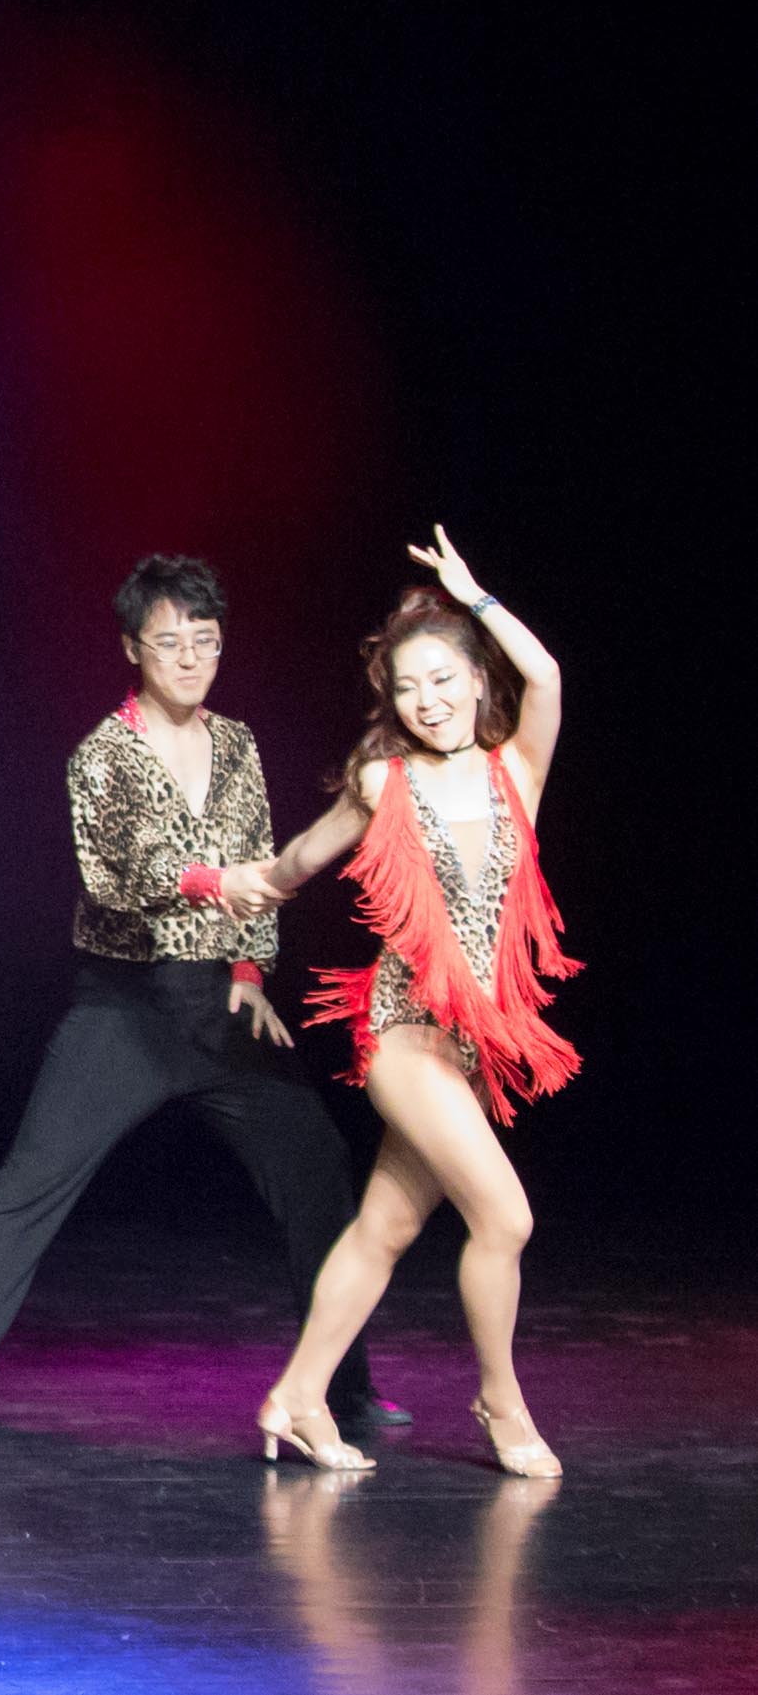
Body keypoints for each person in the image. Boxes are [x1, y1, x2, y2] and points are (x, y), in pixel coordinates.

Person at [0, 556, 396, 1435]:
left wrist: (248, 972)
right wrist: (214, 881)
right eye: (170, 642)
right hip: (127, 1004)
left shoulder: (237, 742)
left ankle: (341, 1385)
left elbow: (262, 854)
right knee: (33, 1180)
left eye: (206, 641)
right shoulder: (102, 754)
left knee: (317, 1167)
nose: (191, 658)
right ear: (132, 648)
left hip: (218, 1000)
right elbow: (117, 874)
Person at [239, 531, 573, 1478]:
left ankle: (298, 1394)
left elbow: (547, 675)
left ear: (476, 678)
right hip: (402, 1036)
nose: (426, 701)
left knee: (383, 1230)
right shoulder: (387, 779)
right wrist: (246, 883)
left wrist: (477, 594)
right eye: (407, 688)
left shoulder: (517, 770)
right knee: (506, 1218)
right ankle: (501, 1402)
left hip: (469, 1047)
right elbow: (303, 854)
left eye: (442, 680)